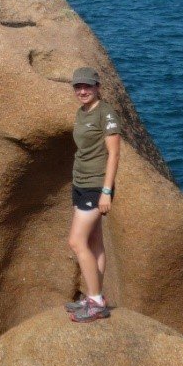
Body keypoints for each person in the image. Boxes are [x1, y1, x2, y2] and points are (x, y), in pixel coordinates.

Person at [64, 66, 121, 323]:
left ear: (98, 87)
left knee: (76, 242)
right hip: (80, 182)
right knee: (95, 240)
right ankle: (94, 295)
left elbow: (114, 154)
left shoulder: (105, 113)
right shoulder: (82, 111)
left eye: (88, 86)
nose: (83, 91)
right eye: (78, 87)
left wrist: (106, 192)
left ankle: (96, 302)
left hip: (96, 186)